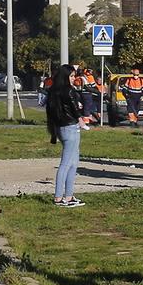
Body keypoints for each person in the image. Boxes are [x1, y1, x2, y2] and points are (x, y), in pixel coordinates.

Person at [45, 64, 86, 207]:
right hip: (70, 128)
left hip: (61, 128)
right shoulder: (68, 91)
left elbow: (50, 113)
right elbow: (75, 108)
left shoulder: (53, 91)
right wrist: (81, 119)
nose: (74, 79)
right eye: (72, 76)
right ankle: (58, 197)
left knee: (73, 163)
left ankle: (69, 196)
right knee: (66, 164)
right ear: (65, 76)